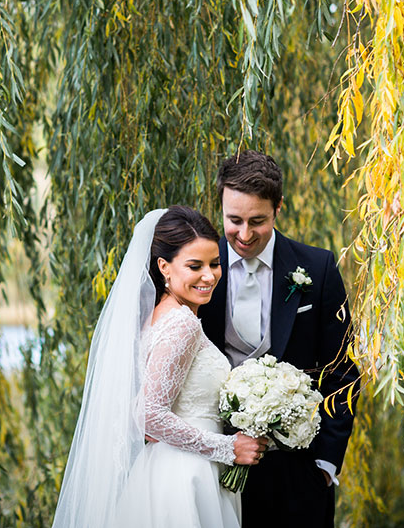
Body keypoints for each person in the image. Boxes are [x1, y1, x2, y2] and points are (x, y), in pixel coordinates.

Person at [52, 206, 267, 528]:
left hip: (171, 465)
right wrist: (228, 447)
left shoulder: (160, 316)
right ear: (164, 267)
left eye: (215, 263)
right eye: (195, 266)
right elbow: (148, 415)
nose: (209, 276)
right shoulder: (182, 324)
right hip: (187, 475)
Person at [199, 151, 360, 528]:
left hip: (298, 472)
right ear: (219, 205)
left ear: (278, 208)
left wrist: (325, 464)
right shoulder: (200, 270)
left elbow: (343, 370)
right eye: (233, 220)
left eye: (258, 221)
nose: (244, 234)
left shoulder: (317, 268)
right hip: (215, 467)